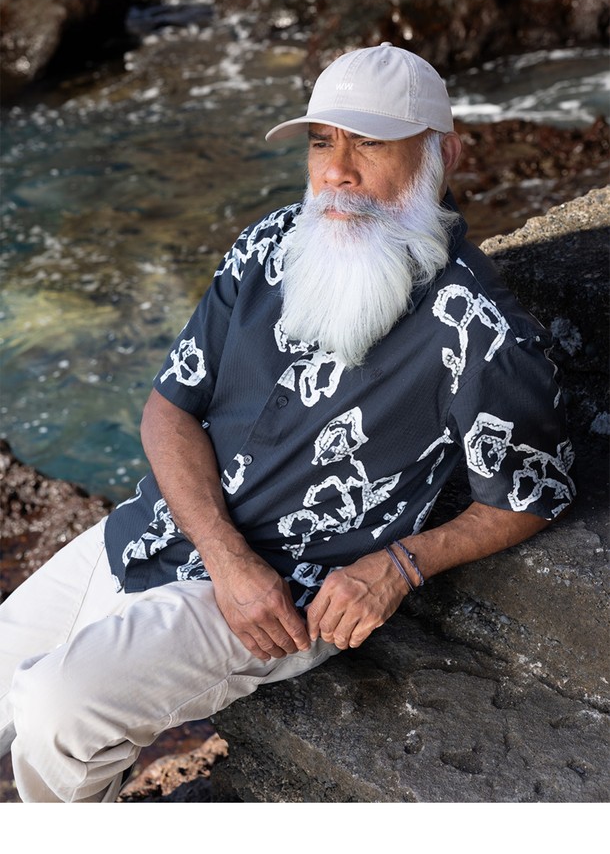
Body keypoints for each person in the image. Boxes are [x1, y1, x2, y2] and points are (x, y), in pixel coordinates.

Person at [0, 42, 576, 802]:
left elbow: (533, 494)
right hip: (153, 531)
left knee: (56, 713)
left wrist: (398, 566)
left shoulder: (477, 328)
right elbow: (170, 405)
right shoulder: (271, 242)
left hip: (280, 594)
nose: (337, 170)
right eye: (321, 142)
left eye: (369, 143)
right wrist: (222, 554)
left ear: (444, 153)